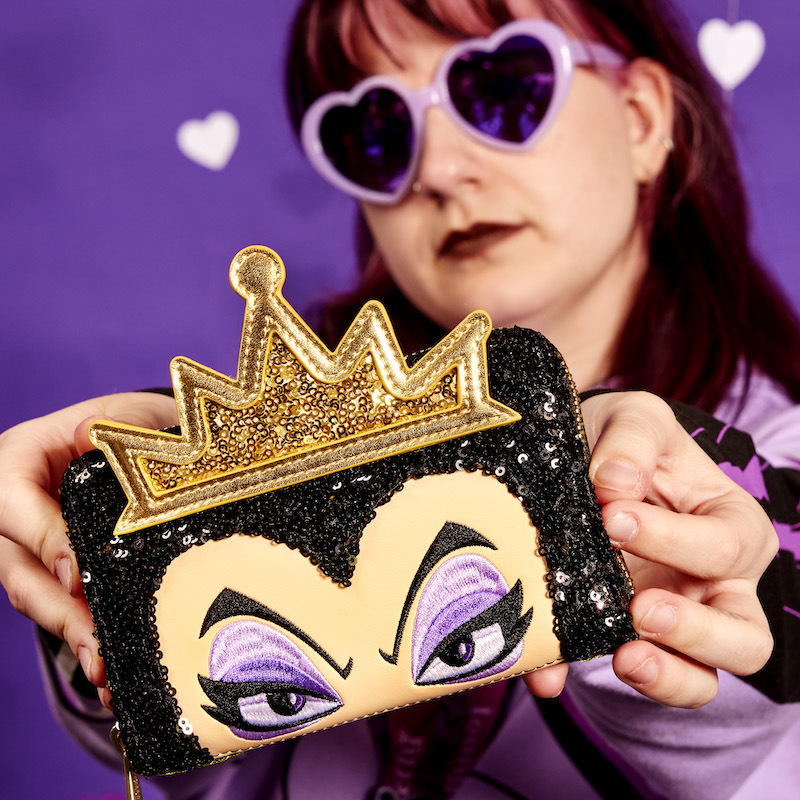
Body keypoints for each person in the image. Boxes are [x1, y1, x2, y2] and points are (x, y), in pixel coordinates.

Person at [0, 0, 799, 797]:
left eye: (501, 87)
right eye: (375, 135)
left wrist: (638, 512)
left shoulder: (778, 470)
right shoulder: (309, 460)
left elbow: (753, 654)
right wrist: (114, 553)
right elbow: (188, 739)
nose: (438, 171)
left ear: (641, 116)